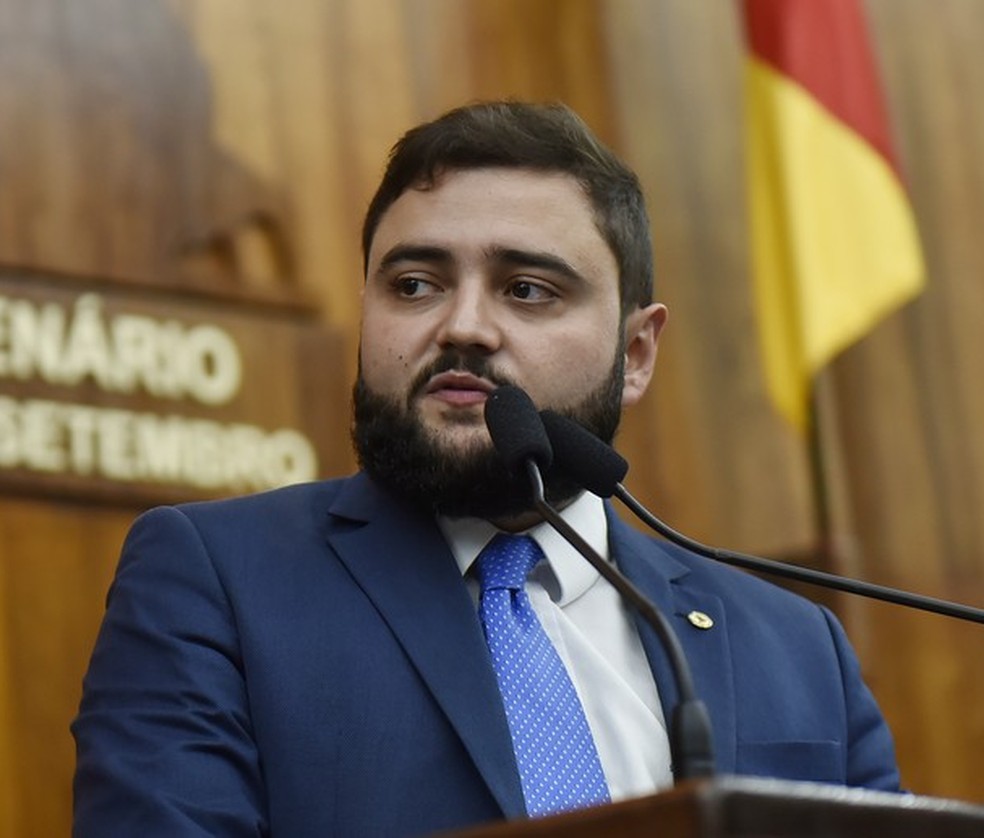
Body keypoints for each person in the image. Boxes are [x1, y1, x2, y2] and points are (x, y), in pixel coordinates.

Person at [72, 101, 900, 837]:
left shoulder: (796, 647)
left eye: (529, 290)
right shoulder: (216, 580)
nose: (464, 326)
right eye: (416, 283)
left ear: (637, 352)